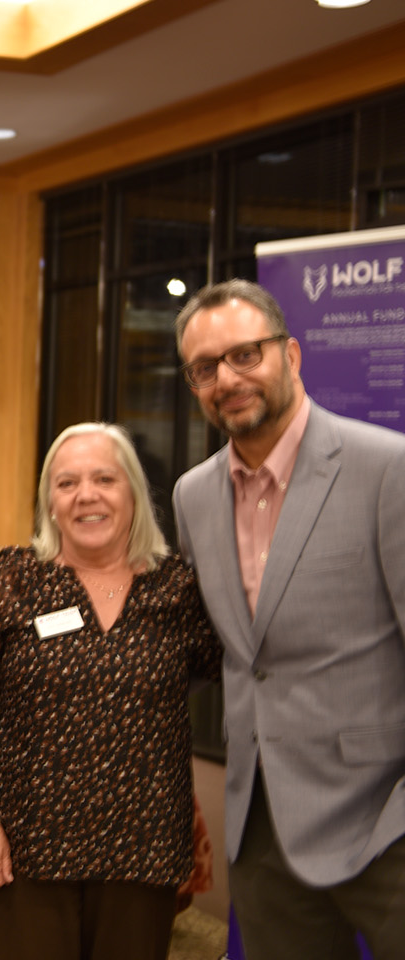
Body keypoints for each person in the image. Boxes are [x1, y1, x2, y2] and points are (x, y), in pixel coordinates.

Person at [172, 279, 405, 959]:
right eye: (206, 367)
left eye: (246, 354)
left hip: (384, 821)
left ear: (292, 355)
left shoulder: (386, 469)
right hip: (263, 828)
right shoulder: (193, 495)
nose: (228, 378)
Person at [0, 422, 221, 960]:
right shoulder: (11, 579)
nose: (86, 496)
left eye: (105, 478)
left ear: (133, 495)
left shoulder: (178, 589)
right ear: (50, 503)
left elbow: (221, 667)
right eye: (67, 483)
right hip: (27, 846)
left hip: (143, 846)